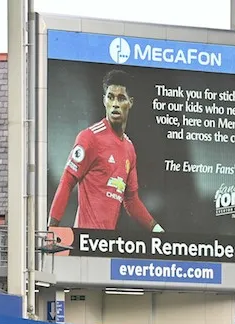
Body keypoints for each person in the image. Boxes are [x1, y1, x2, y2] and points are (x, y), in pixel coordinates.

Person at [49, 69, 163, 232]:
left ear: (130, 102)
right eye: (111, 97)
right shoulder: (90, 138)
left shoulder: (129, 148)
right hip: (86, 241)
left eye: (121, 98)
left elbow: (131, 200)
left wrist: (156, 228)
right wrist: (52, 229)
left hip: (107, 244)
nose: (115, 104)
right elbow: (67, 181)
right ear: (104, 101)